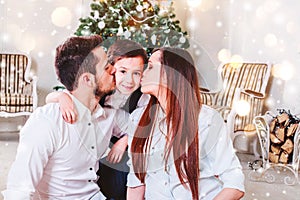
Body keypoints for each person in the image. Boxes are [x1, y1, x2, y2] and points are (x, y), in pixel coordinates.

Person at [2, 35, 128, 199]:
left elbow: (145, 128)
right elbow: (19, 190)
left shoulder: (108, 115)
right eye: (106, 67)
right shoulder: (47, 122)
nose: (114, 69)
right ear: (87, 80)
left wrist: (124, 140)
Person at [127, 47, 245, 200]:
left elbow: (235, 184)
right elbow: (136, 181)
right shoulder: (137, 120)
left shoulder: (207, 120)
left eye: (150, 66)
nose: (143, 73)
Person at [45, 39, 149, 200]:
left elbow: (149, 124)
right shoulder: (100, 87)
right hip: (100, 146)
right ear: (112, 69)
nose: (129, 80)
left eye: (136, 73)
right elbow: (60, 94)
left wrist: (125, 141)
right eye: (122, 71)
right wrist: (61, 96)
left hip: (131, 144)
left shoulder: (143, 96)